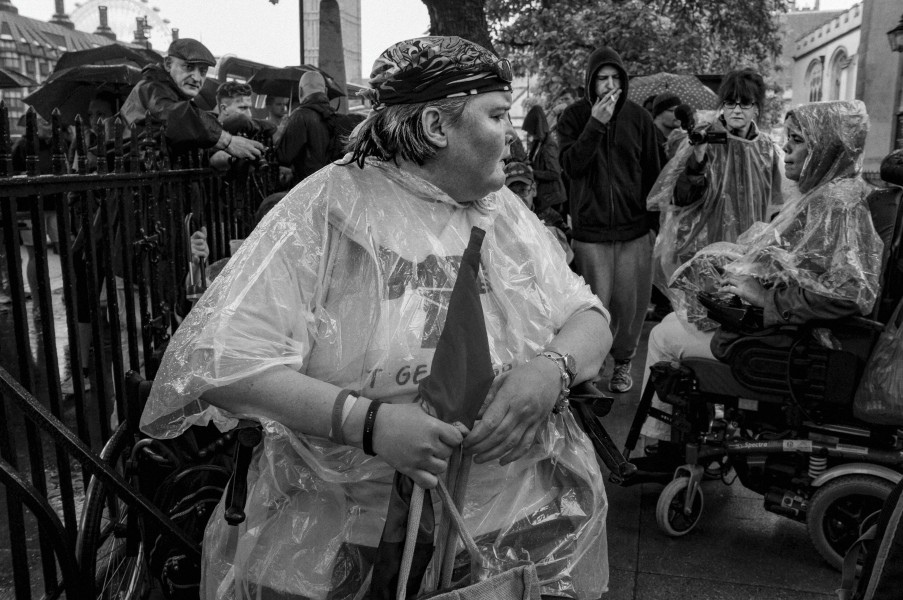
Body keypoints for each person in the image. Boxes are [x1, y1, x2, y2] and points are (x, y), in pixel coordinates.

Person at [141, 35, 612, 599]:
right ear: (438, 126)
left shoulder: (504, 212)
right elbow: (222, 361)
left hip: (515, 526)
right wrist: (371, 425)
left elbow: (590, 316)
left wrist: (550, 372)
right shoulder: (327, 208)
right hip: (351, 541)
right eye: (496, 115)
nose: (510, 134)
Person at [640, 99, 883, 444]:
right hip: (789, 332)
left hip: (794, 346)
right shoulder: (828, 195)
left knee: (663, 336)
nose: (785, 146)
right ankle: (685, 432)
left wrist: (766, 297)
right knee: (675, 321)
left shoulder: (835, 204)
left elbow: (850, 293)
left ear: (826, 148)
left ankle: (663, 442)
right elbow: (803, 266)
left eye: (797, 140)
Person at [647, 68, 787, 329]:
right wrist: (697, 159)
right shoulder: (702, 136)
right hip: (705, 248)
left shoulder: (767, 148)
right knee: (704, 322)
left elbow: (776, 206)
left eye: (745, 103)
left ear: (757, 108)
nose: (736, 110)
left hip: (748, 254)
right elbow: (680, 197)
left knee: (739, 322)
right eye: (730, 102)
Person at [557, 45, 662, 393]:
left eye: (616, 77)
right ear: (591, 82)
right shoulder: (573, 117)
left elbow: (653, 173)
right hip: (591, 232)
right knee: (593, 306)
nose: (610, 85)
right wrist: (596, 125)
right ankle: (592, 366)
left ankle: (623, 362)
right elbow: (571, 166)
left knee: (629, 306)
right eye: (602, 78)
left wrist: (652, 226)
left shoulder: (639, 118)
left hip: (634, 231)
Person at [119, 38, 263, 161]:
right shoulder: (151, 87)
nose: (196, 78)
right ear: (168, 64)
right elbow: (177, 116)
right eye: (188, 67)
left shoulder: (170, 93)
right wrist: (228, 141)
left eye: (203, 71)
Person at [275, 70, 337, 186]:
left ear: (300, 91)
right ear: (326, 91)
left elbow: (283, 156)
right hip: (332, 188)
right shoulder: (336, 117)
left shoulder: (299, 116)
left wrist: (280, 133)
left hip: (307, 190)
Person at [505, 160, 573, 263]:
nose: (518, 199)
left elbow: (568, 260)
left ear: (534, 190)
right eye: (512, 193)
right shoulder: (498, 221)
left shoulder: (551, 218)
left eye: (523, 190)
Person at [521, 104, 567, 216]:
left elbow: (554, 173)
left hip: (552, 200)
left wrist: (533, 172)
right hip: (546, 197)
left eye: (531, 132)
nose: (530, 135)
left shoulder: (548, 146)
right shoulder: (539, 144)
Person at [651, 92, 682, 165]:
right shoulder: (651, 139)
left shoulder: (675, 138)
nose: (678, 114)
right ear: (658, 114)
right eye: (672, 111)